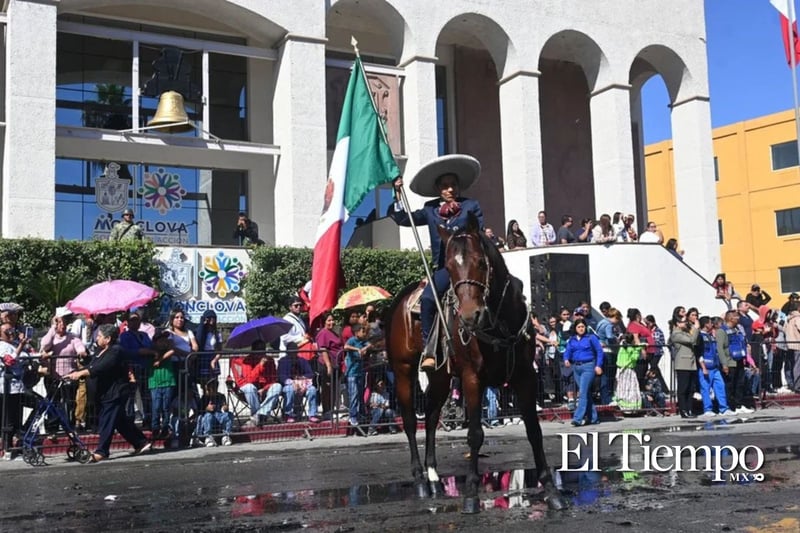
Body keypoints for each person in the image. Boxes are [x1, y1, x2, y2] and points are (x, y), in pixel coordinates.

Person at [389, 154, 484, 371]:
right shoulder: (430, 210)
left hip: (468, 267)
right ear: (438, 189)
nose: (450, 189)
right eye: (445, 186)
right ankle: (429, 351)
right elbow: (404, 219)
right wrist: (396, 193)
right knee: (429, 299)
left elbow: (477, 232)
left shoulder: (471, 206)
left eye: (453, 185)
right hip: (445, 269)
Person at [64, 324, 151, 462]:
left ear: (108, 338)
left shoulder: (116, 351)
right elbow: (92, 364)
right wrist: (80, 366)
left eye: (99, 336)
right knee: (119, 421)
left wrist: (82, 372)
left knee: (107, 420)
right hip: (105, 392)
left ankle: (102, 451)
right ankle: (141, 442)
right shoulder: (101, 351)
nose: (97, 339)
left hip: (115, 392)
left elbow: (101, 368)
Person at [563, 319, 604, 426]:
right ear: (575, 328)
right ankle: (594, 418)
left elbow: (599, 351)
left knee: (582, 392)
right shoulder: (572, 339)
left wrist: (598, 365)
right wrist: (566, 359)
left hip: (588, 366)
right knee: (586, 393)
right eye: (579, 327)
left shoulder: (591, 338)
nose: (581, 329)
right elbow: (568, 350)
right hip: (576, 367)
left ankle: (577, 418)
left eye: (583, 326)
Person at [0, 323, 30, 458]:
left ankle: (18, 440)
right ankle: (7, 447)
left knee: (19, 416)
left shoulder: (15, 344)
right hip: (6, 389)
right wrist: (20, 346)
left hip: (19, 387)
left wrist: (24, 344)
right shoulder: (1, 346)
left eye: (12, 330)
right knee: (8, 419)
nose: (11, 333)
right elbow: (9, 361)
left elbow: (27, 357)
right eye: (7, 331)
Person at [696, 316, 733, 417]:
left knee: (720, 386)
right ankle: (707, 409)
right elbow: (698, 353)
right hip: (706, 367)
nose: (712, 324)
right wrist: (703, 367)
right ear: (706, 324)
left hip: (715, 367)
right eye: (710, 323)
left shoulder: (711, 336)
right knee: (705, 388)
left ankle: (724, 409)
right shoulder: (700, 336)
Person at [276, 348, 319, 423]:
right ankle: (288, 414)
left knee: (312, 389)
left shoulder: (302, 360)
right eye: (291, 351)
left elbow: (310, 373)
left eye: (295, 351)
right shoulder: (283, 361)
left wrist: (302, 378)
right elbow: (281, 376)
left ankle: (312, 414)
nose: (293, 353)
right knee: (289, 389)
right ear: (287, 352)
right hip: (288, 384)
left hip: (302, 383)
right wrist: (292, 383)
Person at [670, 315, 699, 418]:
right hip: (683, 363)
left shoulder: (686, 332)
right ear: (677, 323)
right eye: (683, 322)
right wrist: (695, 328)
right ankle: (683, 410)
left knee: (691, 389)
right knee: (683, 388)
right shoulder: (676, 334)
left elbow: (694, 340)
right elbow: (691, 340)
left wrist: (693, 329)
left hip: (690, 363)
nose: (685, 323)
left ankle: (689, 409)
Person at [343, 323, 371, 427]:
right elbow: (346, 346)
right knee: (353, 394)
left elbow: (370, 344)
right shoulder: (352, 340)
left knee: (360, 394)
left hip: (361, 371)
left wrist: (364, 348)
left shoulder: (363, 341)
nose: (364, 333)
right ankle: (353, 415)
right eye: (362, 331)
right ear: (356, 332)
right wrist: (357, 349)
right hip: (352, 373)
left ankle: (361, 413)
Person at [194, 379, 233, 447]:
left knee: (229, 415)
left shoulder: (221, 396)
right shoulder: (204, 398)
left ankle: (226, 436)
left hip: (219, 415)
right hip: (208, 416)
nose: (213, 389)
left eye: (214, 387)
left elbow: (224, 406)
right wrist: (207, 408)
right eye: (211, 388)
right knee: (208, 415)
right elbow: (199, 411)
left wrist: (225, 408)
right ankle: (208, 437)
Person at [614, 333, 643, 412]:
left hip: (620, 369)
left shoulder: (622, 345)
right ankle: (631, 407)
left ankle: (622, 404)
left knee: (621, 387)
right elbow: (634, 358)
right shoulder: (631, 348)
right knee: (630, 388)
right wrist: (638, 348)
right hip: (628, 369)